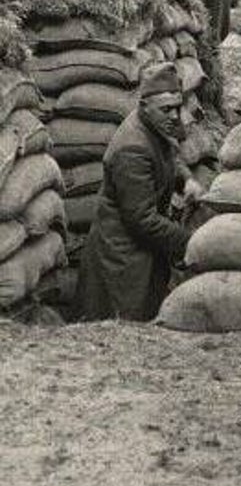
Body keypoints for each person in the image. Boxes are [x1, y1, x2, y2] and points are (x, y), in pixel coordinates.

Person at [76, 63, 203, 321]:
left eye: (177, 107)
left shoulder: (156, 124)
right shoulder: (131, 150)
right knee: (119, 328)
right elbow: (141, 220)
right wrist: (190, 242)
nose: (175, 116)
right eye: (166, 109)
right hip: (122, 259)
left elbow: (169, 155)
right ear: (144, 106)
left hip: (143, 251)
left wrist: (186, 180)